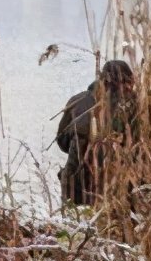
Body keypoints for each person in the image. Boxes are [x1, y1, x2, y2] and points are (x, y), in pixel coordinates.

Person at [56, 60, 138, 206]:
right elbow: (140, 144)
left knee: (75, 225)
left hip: (75, 183)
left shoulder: (78, 100)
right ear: (128, 81)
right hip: (116, 185)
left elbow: (62, 141)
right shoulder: (134, 105)